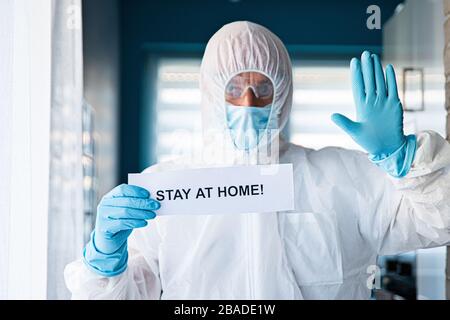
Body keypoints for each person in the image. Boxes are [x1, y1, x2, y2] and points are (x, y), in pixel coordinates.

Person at [64, 21, 450, 299]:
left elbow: (439, 223)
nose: (248, 101)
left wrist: (404, 159)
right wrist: (104, 258)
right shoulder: (166, 187)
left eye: (262, 87)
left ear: (282, 94)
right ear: (212, 93)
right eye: (234, 87)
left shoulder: (343, 177)